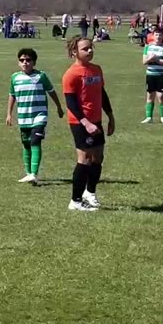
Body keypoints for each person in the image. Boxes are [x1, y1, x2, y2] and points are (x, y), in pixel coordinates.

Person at [62, 37, 114, 212]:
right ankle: (75, 201)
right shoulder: (71, 74)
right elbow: (71, 103)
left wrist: (110, 116)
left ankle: (89, 193)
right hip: (79, 122)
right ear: (74, 52)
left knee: (98, 157)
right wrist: (85, 123)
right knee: (83, 159)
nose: (90, 51)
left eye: (91, 48)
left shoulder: (96, 69)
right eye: (85, 49)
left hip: (96, 119)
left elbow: (102, 94)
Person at [5, 48, 64, 185]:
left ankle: (34, 174)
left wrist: (59, 107)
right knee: (26, 144)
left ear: (34, 62)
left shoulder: (41, 76)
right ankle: (28, 173)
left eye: (28, 60)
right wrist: (9, 114)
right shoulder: (15, 78)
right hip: (23, 116)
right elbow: (12, 95)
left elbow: (51, 91)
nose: (25, 62)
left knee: (35, 141)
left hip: (39, 115)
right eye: (22, 60)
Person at [142, 27, 163, 125]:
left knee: (161, 96)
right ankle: (148, 117)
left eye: (160, 35)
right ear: (153, 36)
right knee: (150, 95)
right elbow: (144, 61)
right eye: (156, 35)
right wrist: (150, 58)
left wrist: (156, 59)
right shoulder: (148, 47)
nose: (158, 37)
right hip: (150, 74)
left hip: (162, 75)